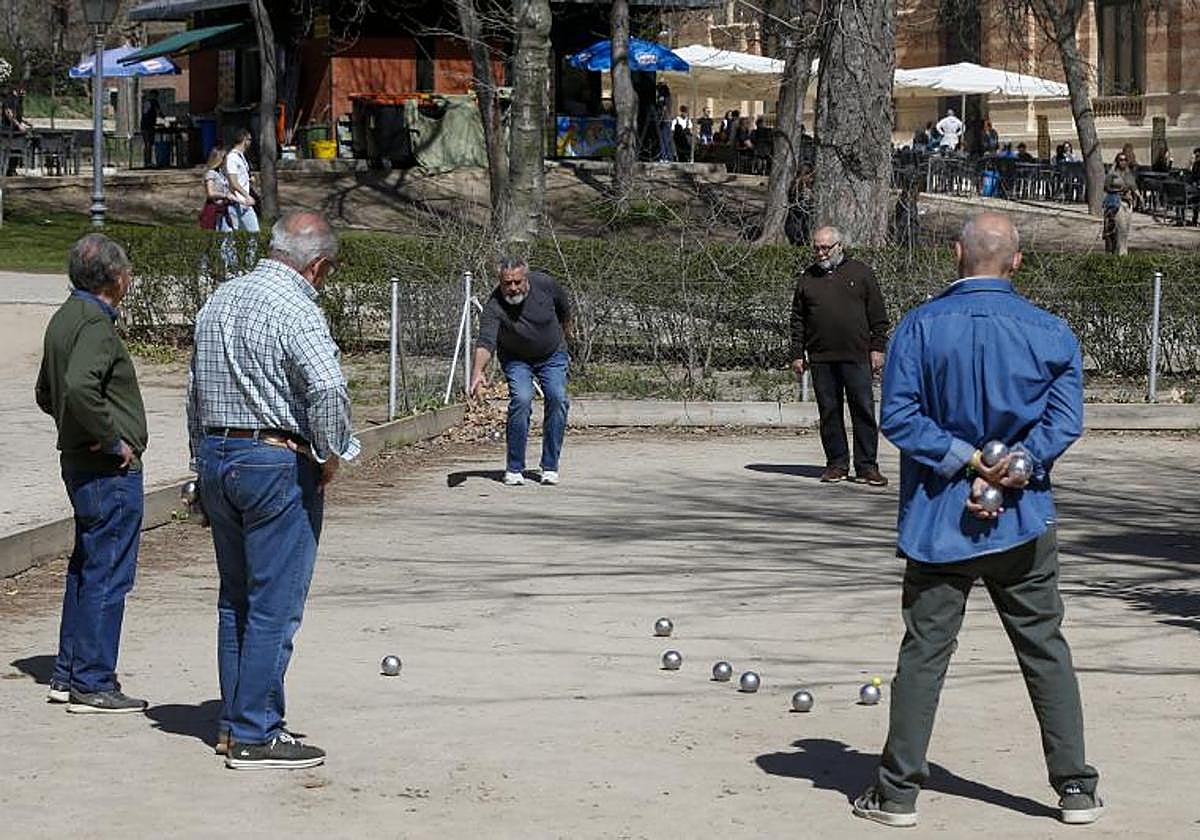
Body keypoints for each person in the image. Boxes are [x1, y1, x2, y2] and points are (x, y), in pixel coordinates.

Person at [852, 212, 1101, 829]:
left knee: (925, 654)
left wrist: (966, 461)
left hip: (940, 520)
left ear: (956, 253)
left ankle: (898, 793)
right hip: (1023, 516)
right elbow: (1065, 421)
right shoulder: (1049, 331)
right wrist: (1020, 463)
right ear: (1016, 261)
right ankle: (1075, 788)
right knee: (1045, 650)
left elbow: (901, 418)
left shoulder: (918, 328)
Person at [188, 211, 359, 769]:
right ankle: (258, 732)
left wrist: (201, 465)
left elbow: (194, 392)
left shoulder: (221, 297)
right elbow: (329, 390)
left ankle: (234, 725)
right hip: (273, 460)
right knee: (274, 606)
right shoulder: (296, 306)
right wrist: (330, 452)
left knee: (235, 599)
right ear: (318, 266)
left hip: (219, 456)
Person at [35, 234, 149, 714]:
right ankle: (93, 682)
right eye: (127, 273)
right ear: (115, 279)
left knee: (86, 568)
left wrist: (73, 425)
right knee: (107, 572)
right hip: (106, 467)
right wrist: (110, 437)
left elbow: (47, 392)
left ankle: (69, 673)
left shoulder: (65, 318)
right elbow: (78, 387)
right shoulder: (96, 327)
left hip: (81, 462)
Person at [789, 226, 890, 486]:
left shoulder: (862, 273)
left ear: (839, 246)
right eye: (816, 248)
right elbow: (797, 319)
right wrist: (797, 353)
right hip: (822, 357)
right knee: (829, 412)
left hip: (857, 356)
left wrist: (877, 347)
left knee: (863, 410)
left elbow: (878, 315)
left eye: (825, 248)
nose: (820, 253)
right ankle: (836, 463)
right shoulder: (807, 278)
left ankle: (867, 466)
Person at [470, 257, 572, 487]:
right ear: (500, 282)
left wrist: (567, 334)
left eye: (517, 282)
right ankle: (515, 467)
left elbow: (564, 307)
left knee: (557, 398)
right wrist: (477, 372)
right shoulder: (494, 306)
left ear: (526, 278)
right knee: (522, 399)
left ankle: (550, 467)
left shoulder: (545, 284)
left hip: (552, 354)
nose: (513, 288)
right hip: (517, 359)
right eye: (507, 283)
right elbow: (486, 341)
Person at [1103, 151, 1138, 254]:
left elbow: (1134, 187)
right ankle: (1119, 254)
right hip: (1117, 203)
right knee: (1120, 229)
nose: (1123, 162)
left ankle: (1123, 253)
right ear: (1117, 161)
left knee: (1125, 231)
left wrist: (1139, 198)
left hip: (1128, 204)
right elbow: (1106, 188)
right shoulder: (1112, 175)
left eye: (1125, 160)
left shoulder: (1129, 174)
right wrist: (1119, 191)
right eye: (1121, 160)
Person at [224, 129, 259, 233]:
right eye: (249, 139)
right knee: (253, 233)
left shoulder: (241, 157)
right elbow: (233, 182)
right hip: (238, 201)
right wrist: (247, 196)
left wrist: (249, 179)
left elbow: (240, 177)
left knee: (243, 234)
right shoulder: (232, 157)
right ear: (244, 140)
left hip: (243, 201)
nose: (250, 142)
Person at [199, 145, 231, 231]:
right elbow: (210, 193)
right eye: (223, 158)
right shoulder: (211, 173)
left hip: (223, 209)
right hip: (213, 209)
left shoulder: (221, 173)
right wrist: (225, 195)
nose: (225, 161)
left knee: (229, 236)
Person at [140, 91, 161, 168]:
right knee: (148, 144)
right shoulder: (152, 102)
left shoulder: (149, 103)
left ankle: (148, 161)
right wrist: (164, 119)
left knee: (149, 144)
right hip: (147, 126)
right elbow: (158, 112)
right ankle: (147, 162)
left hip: (148, 126)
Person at [655, 83, 674, 162]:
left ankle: (664, 156)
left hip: (664, 120)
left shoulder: (663, 98)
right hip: (667, 120)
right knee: (666, 139)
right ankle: (667, 156)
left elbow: (663, 109)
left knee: (663, 139)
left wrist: (659, 119)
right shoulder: (669, 98)